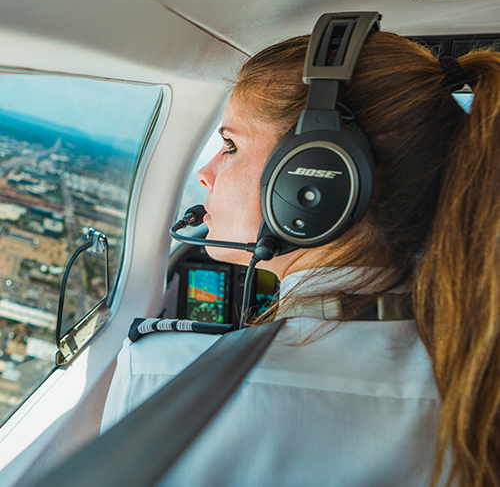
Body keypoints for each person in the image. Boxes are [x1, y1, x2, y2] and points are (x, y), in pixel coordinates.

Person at [101, 29, 500, 487]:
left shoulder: (164, 375)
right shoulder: (476, 382)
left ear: (320, 179)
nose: (206, 173)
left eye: (230, 146)